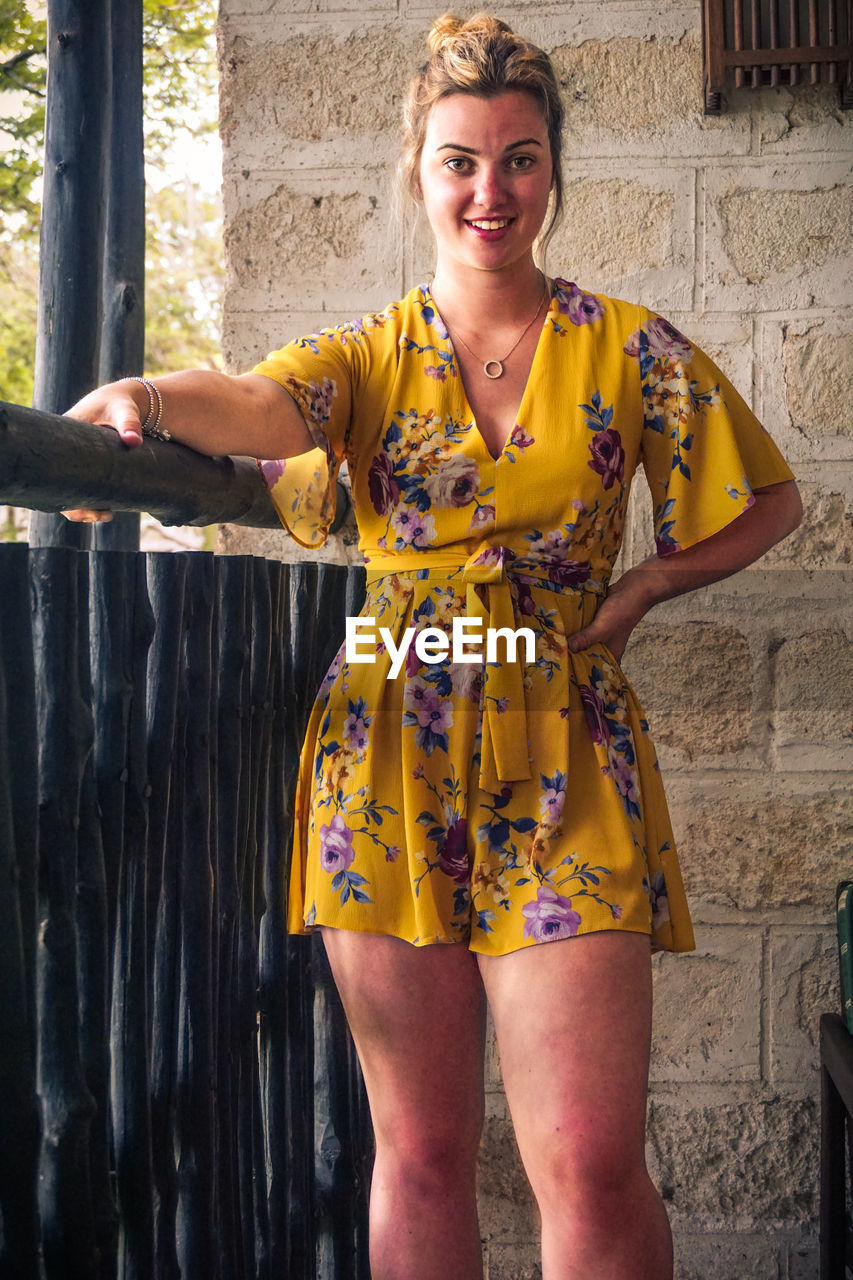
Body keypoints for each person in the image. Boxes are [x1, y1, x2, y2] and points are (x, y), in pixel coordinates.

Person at [63, 12, 802, 1279]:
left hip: (568, 763)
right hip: (386, 760)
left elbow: (767, 500)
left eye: (518, 157)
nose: (489, 190)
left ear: (553, 171)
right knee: (418, 1149)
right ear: (418, 173)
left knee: (585, 1150)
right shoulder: (369, 356)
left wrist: (639, 592)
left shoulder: (626, 346)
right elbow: (256, 403)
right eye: (460, 159)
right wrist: (143, 399)